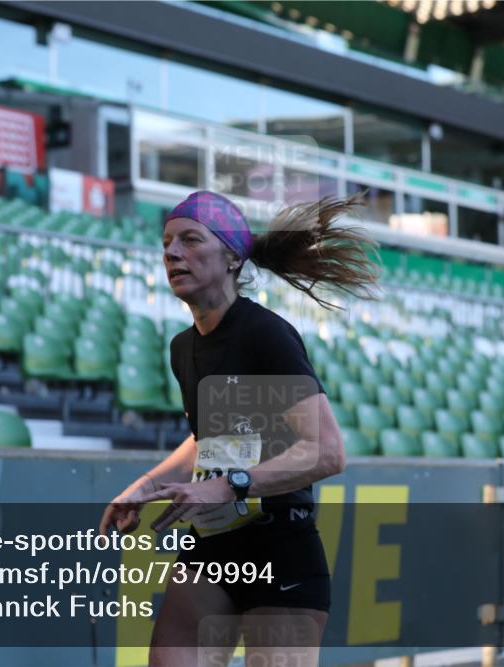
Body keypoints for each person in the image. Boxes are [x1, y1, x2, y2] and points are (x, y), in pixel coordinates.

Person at [99, 190, 380, 667]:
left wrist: (231, 486)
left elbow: (327, 452)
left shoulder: (263, 333)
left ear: (232, 257)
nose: (171, 253)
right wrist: (144, 487)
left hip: (279, 549)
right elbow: (206, 440)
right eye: (167, 242)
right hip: (211, 546)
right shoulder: (182, 348)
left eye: (190, 240)